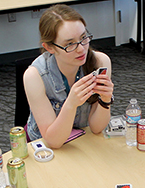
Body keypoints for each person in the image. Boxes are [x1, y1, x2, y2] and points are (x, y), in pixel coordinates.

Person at [24, 4, 114, 148]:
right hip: (45, 145)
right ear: (49, 48)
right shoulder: (34, 76)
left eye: (83, 37)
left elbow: (97, 128)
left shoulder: (100, 62)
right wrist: (71, 104)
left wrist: (105, 100)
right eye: (70, 44)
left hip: (82, 139)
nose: (81, 49)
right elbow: (53, 141)